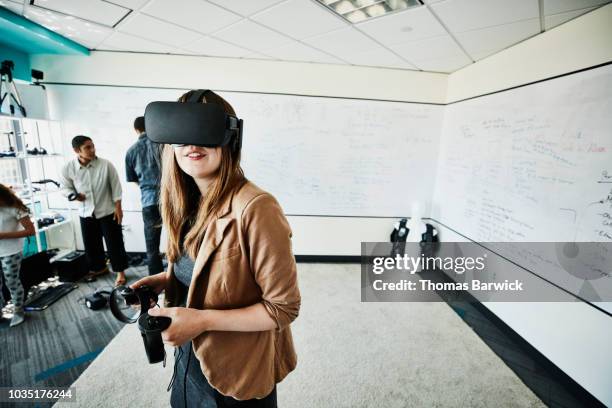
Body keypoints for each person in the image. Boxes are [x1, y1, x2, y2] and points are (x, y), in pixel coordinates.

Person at [132, 90, 300, 407]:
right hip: (189, 360)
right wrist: (167, 279)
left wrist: (202, 320)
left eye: (204, 131)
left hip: (237, 370)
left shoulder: (256, 208)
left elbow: (284, 307)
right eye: (181, 133)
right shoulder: (181, 204)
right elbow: (205, 273)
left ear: (229, 138)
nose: (192, 143)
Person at [59, 135, 129, 286]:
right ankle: (100, 268)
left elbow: (116, 186)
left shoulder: (106, 165)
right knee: (91, 244)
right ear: (77, 150)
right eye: (87, 148)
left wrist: (119, 208)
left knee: (114, 244)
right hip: (86, 213)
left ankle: (120, 272)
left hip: (108, 211)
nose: (92, 150)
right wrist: (74, 196)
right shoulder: (68, 168)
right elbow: (64, 188)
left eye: (92, 146)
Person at [125, 116, 163, 276]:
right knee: (180, 240)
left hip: (149, 202)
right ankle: (181, 277)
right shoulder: (163, 146)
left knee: (152, 244)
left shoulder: (131, 151)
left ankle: (155, 279)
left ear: (136, 130)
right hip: (171, 199)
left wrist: (147, 186)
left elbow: (132, 179)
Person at [0, 184, 35, 327]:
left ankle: (19, 311)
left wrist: (3, 236)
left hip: (11, 251)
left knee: (12, 283)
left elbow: (30, 231)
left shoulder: (16, 207)